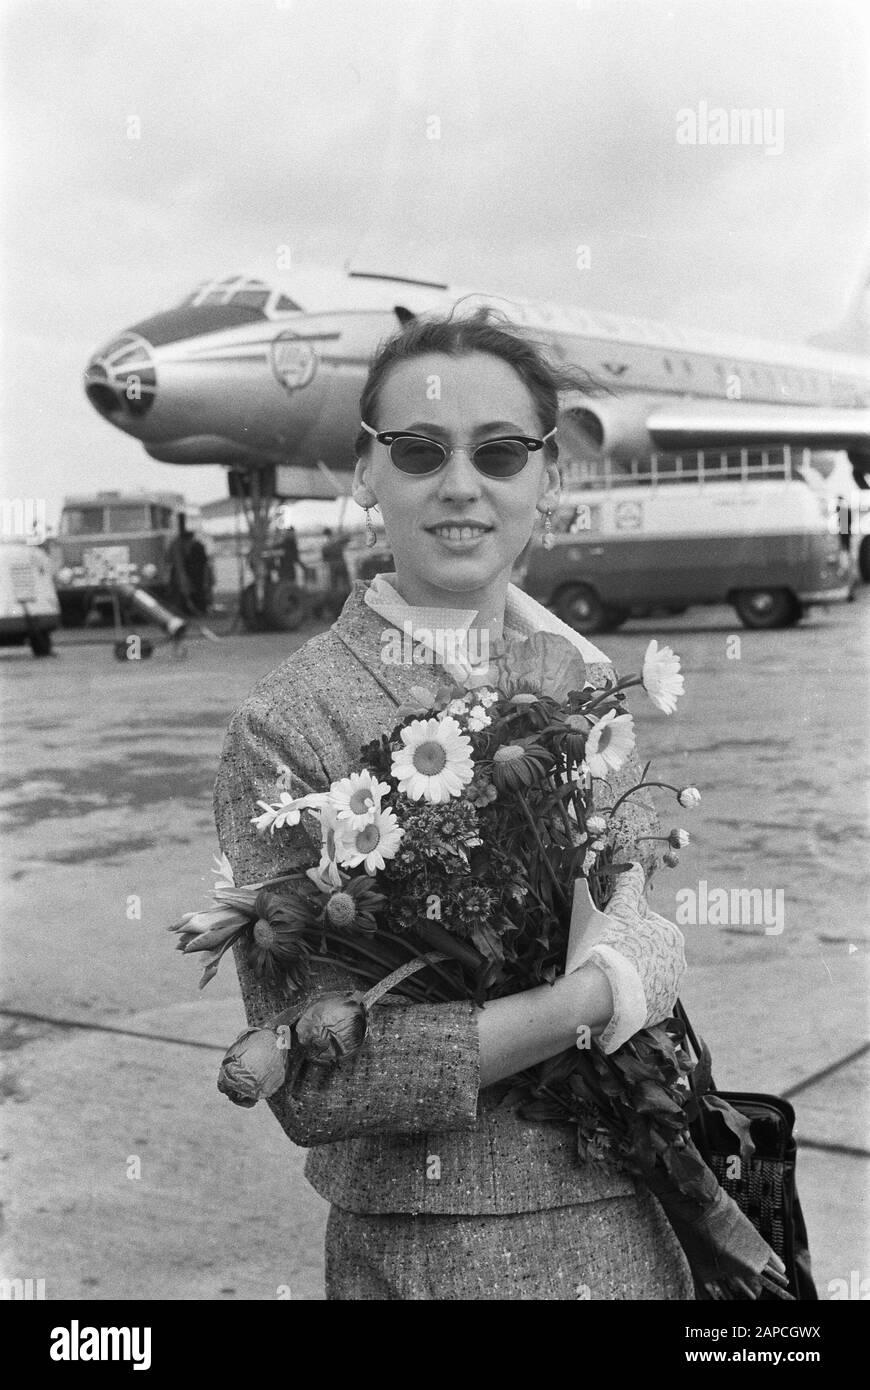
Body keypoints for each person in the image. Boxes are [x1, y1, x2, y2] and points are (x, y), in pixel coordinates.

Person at [213, 310, 696, 1300]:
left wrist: (647, 956)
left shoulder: (579, 674)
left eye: (502, 451)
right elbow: (314, 1072)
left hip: (639, 1211)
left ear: (546, 477)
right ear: (365, 471)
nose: (463, 486)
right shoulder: (287, 720)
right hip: (437, 1252)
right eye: (422, 450)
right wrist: (581, 1004)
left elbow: (634, 912)